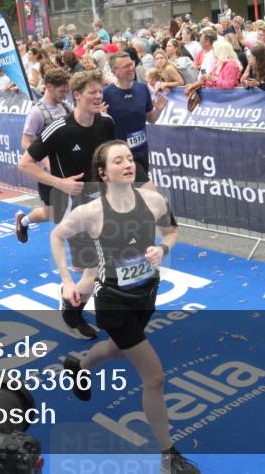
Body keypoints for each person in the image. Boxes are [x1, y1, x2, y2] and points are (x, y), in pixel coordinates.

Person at [53, 141, 198, 474]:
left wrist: (163, 248)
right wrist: (67, 281)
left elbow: (172, 231)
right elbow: (57, 236)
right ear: (103, 173)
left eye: (130, 158)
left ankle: (79, 366)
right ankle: (168, 455)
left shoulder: (154, 200)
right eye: (118, 161)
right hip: (113, 300)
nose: (128, 164)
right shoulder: (90, 212)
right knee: (154, 377)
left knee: (118, 350)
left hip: (147, 295)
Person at [17, 70, 115, 339]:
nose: (98, 96)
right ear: (77, 96)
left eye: (100, 91)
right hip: (72, 206)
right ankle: (71, 309)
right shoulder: (59, 129)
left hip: (103, 203)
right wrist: (60, 183)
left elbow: (111, 159)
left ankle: (73, 305)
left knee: (100, 267)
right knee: (94, 268)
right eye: (92, 92)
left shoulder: (107, 123)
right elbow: (24, 164)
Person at [15, 68, 72, 243]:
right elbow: (25, 142)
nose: (65, 95)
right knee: (52, 213)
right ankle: (23, 221)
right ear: (49, 87)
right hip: (47, 173)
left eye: (66, 91)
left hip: (67, 167)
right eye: (62, 91)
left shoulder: (65, 106)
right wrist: (46, 160)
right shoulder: (37, 112)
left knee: (75, 209)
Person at [103, 52, 167, 186]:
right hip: (120, 157)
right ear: (114, 71)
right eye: (126, 66)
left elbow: (151, 119)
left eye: (131, 64)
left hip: (142, 151)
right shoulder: (106, 94)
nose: (131, 68)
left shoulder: (142, 88)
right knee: (146, 190)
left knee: (136, 194)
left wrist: (158, 110)